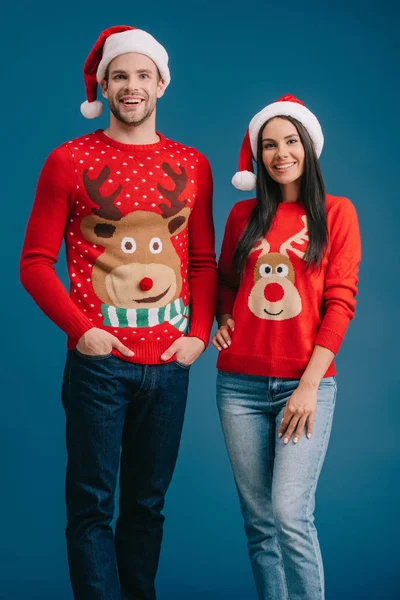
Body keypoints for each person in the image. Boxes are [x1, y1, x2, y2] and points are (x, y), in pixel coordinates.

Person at [21, 25, 216, 600]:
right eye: (119, 76)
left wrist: (198, 338)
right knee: (92, 507)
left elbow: (202, 263)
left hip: (170, 366)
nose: (132, 87)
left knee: (147, 508)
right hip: (99, 366)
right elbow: (34, 263)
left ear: (161, 84)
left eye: (143, 76)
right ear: (103, 86)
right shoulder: (69, 160)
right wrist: (83, 334)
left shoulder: (194, 165)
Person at [212, 94, 361, 600]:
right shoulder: (241, 215)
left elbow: (341, 302)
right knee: (259, 524)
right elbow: (226, 281)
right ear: (258, 157)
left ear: (308, 147)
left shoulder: (337, 214)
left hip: (306, 384)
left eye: (290, 142)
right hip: (238, 386)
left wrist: (309, 386)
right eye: (269, 145)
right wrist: (222, 317)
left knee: (289, 513)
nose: (280, 154)